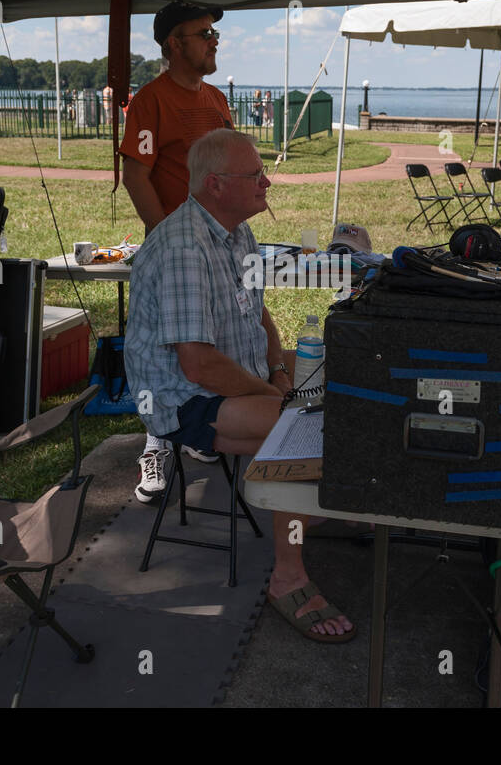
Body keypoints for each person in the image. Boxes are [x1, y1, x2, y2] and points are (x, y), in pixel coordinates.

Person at [124, 128, 355, 643]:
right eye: (255, 175)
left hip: (235, 375)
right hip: (185, 400)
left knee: (350, 375)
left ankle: (305, 497)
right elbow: (198, 367)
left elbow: (261, 317)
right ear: (216, 185)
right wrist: (277, 396)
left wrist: (277, 371)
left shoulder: (235, 231)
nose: (267, 182)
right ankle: (287, 577)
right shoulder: (185, 245)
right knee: (300, 427)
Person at [120, 0, 235, 503]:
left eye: (213, 33)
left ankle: (198, 430)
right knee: (164, 352)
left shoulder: (215, 99)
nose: (213, 41)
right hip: (175, 251)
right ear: (174, 44)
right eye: (203, 32)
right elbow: (135, 174)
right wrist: (168, 240)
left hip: (220, 248)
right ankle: (157, 440)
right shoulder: (150, 101)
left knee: (211, 340)